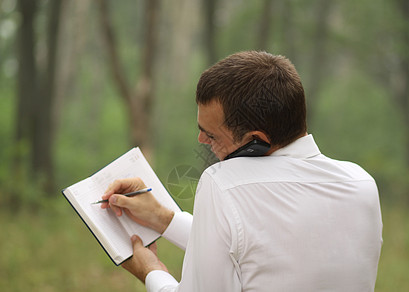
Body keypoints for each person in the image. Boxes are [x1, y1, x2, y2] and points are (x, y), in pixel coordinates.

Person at [101, 51, 383, 291]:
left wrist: (151, 272)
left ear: (256, 141)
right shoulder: (361, 183)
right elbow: (263, 253)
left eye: (211, 135)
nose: (201, 141)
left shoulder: (223, 184)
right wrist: (164, 219)